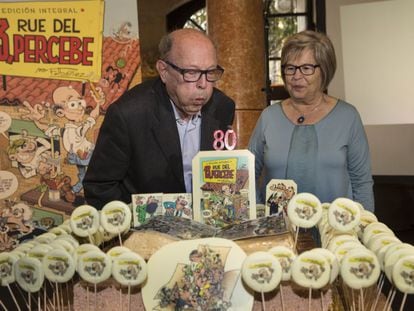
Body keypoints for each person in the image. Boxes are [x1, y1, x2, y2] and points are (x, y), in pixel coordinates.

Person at [83, 28, 235, 209]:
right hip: (148, 231)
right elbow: (99, 187)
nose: (203, 85)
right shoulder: (129, 114)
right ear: (163, 71)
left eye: (210, 72)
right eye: (191, 73)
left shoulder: (223, 107)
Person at [248, 30, 374, 212]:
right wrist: (260, 214)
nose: (296, 76)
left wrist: (363, 227)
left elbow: (362, 183)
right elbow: (247, 175)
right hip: (280, 233)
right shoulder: (269, 116)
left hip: (335, 232)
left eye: (306, 68)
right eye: (290, 68)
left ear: (324, 70)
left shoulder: (348, 116)